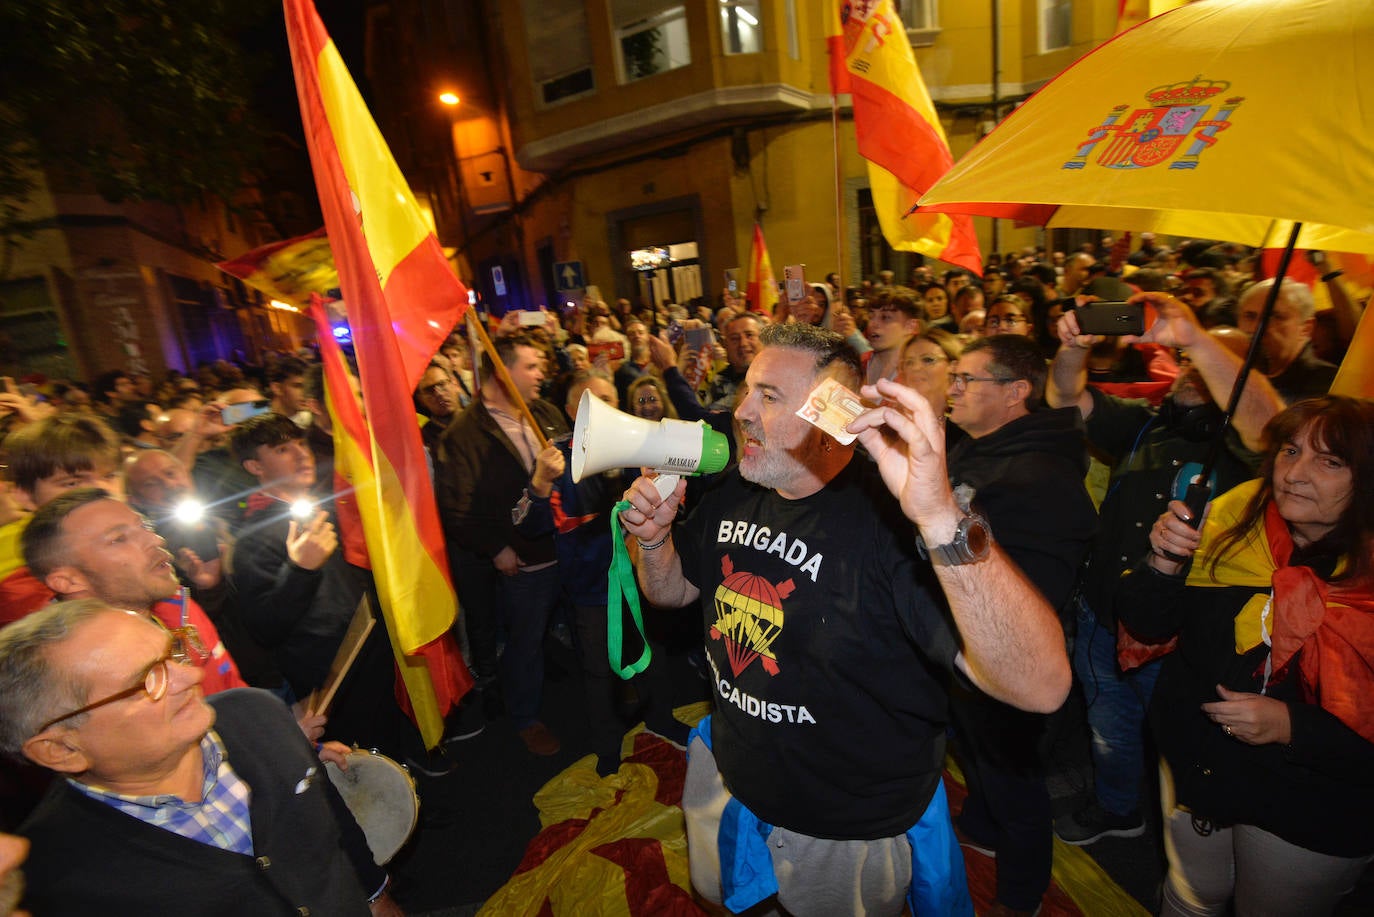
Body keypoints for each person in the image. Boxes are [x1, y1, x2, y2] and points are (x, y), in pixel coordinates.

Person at [618, 323, 1070, 916]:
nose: (742, 412)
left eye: (771, 397)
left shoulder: (890, 523)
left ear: (833, 414)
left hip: (846, 828)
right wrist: (653, 545)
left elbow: (1040, 686)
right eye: (748, 390)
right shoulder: (737, 487)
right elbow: (676, 593)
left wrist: (939, 522)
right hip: (732, 782)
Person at [1117, 396, 1374, 916]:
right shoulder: (1236, 523)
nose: (1295, 475)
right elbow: (1148, 625)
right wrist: (1163, 561)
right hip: (1199, 768)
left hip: (1313, 799)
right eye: (1290, 450)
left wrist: (1293, 727)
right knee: (1190, 898)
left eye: (1330, 461)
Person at [1047, 293, 1284, 847]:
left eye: (1204, 363)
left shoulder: (1253, 449)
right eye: (1183, 360)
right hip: (1105, 613)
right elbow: (1065, 396)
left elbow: (1267, 429)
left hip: (1184, 639)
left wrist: (1201, 340)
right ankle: (1119, 808)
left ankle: (1187, 842)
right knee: (1111, 728)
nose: (1188, 371)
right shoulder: (1144, 426)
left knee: (1181, 744)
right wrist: (1070, 349)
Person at [0, 601, 400, 916]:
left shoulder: (255, 712)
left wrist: (378, 900)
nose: (190, 677)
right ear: (61, 748)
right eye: (148, 679)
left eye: (172, 653)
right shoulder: (49, 880)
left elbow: (333, 827)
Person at [943, 334, 1097, 916]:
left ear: (1016, 393)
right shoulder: (976, 448)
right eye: (952, 377)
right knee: (977, 755)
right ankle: (980, 826)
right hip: (962, 645)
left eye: (967, 380)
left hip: (1007, 656)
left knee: (1014, 780)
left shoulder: (1037, 475)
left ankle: (1021, 894)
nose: (953, 389)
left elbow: (1034, 591)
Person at [435, 331, 570, 756]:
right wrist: (495, 547)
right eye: (530, 366)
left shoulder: (543, 411)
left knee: (572, 629)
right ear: (500, 368)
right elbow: (457, 508)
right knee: (525, 643)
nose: (540, 375)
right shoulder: (465, 433)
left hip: (567, 545)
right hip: (524, 560)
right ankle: (526, 717)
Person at [1235, 278, 1337, 404]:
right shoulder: (1231, 375)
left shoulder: (1332, 386)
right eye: (1250, 316)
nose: (1257, 327)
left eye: (1276, 317)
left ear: (1306, 328)